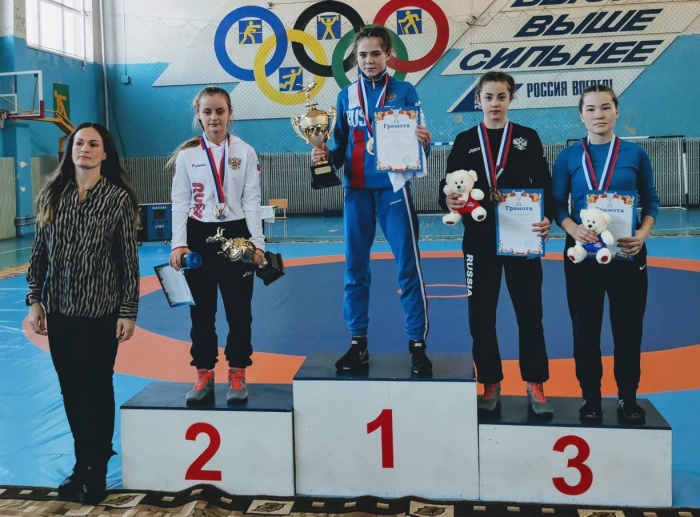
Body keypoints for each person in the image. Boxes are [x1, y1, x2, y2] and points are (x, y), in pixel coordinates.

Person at [25, 122, 140, 505]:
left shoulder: (118, 199)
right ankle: (82, 463)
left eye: (93, 144)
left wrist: (128, 310)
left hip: (101, 311)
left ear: (105, 153)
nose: (85, 149)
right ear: (69, 150)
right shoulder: (51, 196)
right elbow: (39, 254)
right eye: (79, 143)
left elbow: (128, 260)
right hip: (60, 310)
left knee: (97, 388)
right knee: (71, 391)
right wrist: (34, 300)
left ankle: (98, 467)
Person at [311, 25, 433, 377]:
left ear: (388, 55)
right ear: (356, 58)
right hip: (356, 192)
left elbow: (418, 143)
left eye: (375, 54)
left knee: (407, 267)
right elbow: (339, 146)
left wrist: (424, 142)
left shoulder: (405, 91)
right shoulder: (345, 96)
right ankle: (358, 343)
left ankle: (417, 345)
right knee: (355, 269)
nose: (368, 61)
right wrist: (324, 156)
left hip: (393, 188)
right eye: (362, 55)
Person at [438, 71, 555, 417]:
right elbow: (448, 188)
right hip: (479, 239)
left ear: (511, 99)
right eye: (488, 97)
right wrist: (450, 202)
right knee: (481, 314)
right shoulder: (464, 140)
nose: (495, 104)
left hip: (522, 236)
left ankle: (535, 383)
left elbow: (545, 184)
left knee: (530, 313)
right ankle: (490, 382)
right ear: (479, 100)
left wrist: (547, 217)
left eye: (501, 97)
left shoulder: (527, 138)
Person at [552, 84, 659, 424]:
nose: (598, 114)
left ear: (617, 111)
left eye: (605, 107)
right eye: (591, 109)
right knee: (585, 330)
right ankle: (591, 397)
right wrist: (572, 229)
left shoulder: (635, 154)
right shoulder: (568, 157)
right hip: (582, 254)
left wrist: (642, 234)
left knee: (628, 329)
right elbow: (557, 205)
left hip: (627, 253)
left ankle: (628, 396)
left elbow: (651, 200)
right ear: (581, 115)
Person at [169, 86, 266, 404]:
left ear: (230, 113)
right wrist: (178, 244)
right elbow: (179, 203)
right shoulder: (187, 156)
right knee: (201, 313)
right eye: (207, 111)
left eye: (220, 111)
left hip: (237, 235)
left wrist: (258, 244)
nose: (214, 117)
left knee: (240, 312)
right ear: (198, 114)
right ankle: (204, 374)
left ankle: (237, 373)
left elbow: (252, 201)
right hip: (198, 238)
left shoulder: (245, 152)